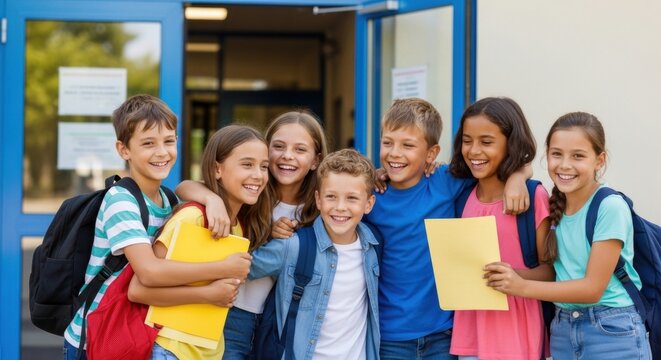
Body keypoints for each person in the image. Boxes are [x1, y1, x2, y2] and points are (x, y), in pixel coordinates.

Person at [63, 95, 250, 360]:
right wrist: (221, 273)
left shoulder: (167, 199)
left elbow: (184, 186)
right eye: (148, 143)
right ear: (123, 150)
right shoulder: (121, 201)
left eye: (169, 141)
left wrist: (211, 198)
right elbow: (149, 272)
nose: (162, 152)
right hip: (96, 335)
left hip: (134, 331)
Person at [363, 98, 531, 360]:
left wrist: (518, 177)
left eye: (408, 145)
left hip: (443, 333)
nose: (394, 153)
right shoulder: (371, 195)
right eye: (387, 143)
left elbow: (505, 162)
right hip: (388, 335)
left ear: (431, 153)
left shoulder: (445, 181)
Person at [485, 112, 652, 359]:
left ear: (599, 160)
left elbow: (591, 289)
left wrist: (521, 286)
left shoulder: (609, 206)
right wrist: (507, 276)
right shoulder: (557, 204)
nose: (564, 165)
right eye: (556, 154)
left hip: (612, 329)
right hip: (563, 329)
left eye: (578, 156)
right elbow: (558, 271)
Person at [176, 110, 328, 358]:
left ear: (315, 160)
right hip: (229, 313)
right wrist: (211, 199)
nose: (287, 155)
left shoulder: (318, 207)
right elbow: (183, 187)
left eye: (300, 149)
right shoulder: (251, 192)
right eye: (278, 146)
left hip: (274, 320)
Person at [129, 124, 272, 359]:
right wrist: (210, 292)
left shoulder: (238, 224)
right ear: (217, 169)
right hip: (170, 348)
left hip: (207, 351)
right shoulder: (194, 217)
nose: (258, 175)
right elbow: (138, 290)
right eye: (247, 164)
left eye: (264, 166)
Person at [249, 148, 380, 359]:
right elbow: (241, 268)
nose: (340, 207)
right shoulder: (293, 246)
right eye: (331, 197)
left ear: (368, 204)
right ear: (318, 199)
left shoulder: (373, 247)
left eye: (351, 198)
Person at [447, 97, 553, 360]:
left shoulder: (533, 196)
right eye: (467, 140)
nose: (473, 151)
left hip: (518, 333)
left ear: (510, 144)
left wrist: (512, 277)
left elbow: (552, 271)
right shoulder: (461, 194)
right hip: (471, 334)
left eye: (486, 142)